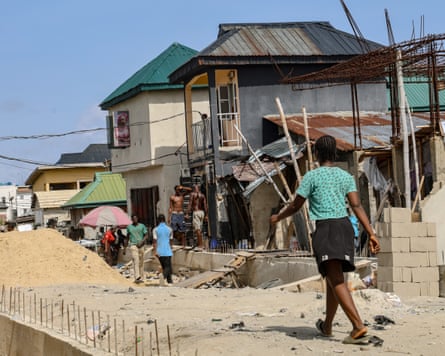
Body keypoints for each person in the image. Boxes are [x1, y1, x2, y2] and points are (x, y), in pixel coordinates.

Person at [270, 135, 380, 343]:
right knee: (333, 280)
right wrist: (371, 233)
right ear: (335, 153)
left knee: (336, 279)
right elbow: (357, 206)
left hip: (327, 228)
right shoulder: (345, 176)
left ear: (317, 154)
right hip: (345, 228)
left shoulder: (311, 177)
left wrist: (278, 217)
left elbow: (296, 205)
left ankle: (358, 326)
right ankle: (327, 325)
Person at [152, 214, 174, 285]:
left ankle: (169, 281)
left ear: (158, 220)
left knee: (164, 266)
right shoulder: (169, 229)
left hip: (159, 251)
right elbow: (171, 240)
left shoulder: (155, 229)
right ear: (164, 220)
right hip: (167, 251)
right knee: (168, 268)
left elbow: (154, 241)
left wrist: (155, 251)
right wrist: (171, 247)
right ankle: (163, 277)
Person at [126, 215, 148, 283]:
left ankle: (141, 276)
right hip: (133, 245)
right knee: (136, 260)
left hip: (141, 245)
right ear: (132, 220)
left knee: (141, 262)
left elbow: (146, 235)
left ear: (137, 219)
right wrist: (125, 247)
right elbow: (127, 237)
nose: (135, 220)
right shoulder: (129, 227)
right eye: (133, 219)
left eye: (136, 218)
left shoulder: (142, 226)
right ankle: (137, 277)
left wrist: (142, 241)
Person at [186, 184, 208, 249]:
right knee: (199, 230)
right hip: (202, 213)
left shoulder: (192, 194)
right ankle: (199, 244)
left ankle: (200, 245)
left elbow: (190, 204)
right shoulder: (202, 195)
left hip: (196, 212)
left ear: (194, 189)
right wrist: (206, 215)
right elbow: (205, 206)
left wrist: (187, 213)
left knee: (197, 230)